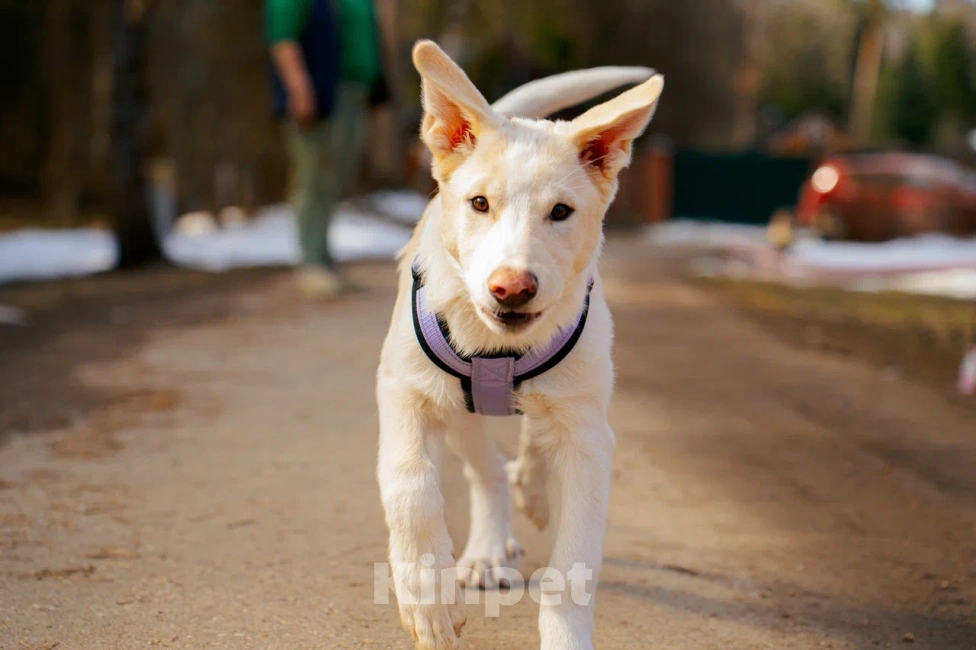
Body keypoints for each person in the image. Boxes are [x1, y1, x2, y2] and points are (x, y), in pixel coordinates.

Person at [266, 0, 387, 299]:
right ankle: (310, 264)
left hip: (353, 91)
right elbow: (282, 35)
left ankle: (325, 263)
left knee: (334, 177)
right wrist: (299, 87)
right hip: (320, 93)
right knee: (313, 176)